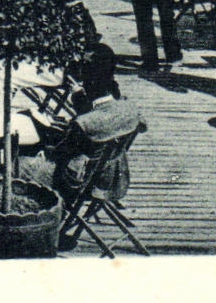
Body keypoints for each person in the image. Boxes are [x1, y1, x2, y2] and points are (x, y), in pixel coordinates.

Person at [21, 46, 146, 208]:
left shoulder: (84, 123)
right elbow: (106, 118)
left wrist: (44, 150)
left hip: (79, 183)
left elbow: (60, 153)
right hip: (114, 179)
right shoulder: (130, 109)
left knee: (19, 163)